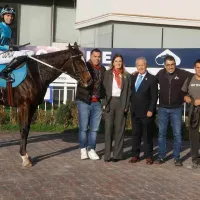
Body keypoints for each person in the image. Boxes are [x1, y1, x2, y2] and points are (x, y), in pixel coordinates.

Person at [155, 55, 192, 166]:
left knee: (177, 134)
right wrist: (137, 74)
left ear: (175, 64)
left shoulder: (182, 74)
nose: (171, 67)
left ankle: (177, 158)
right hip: (162, 108)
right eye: (168, 65)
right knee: (161, 134)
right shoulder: (160, 74)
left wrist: (187, 94)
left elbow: (195, 77)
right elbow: (150, 81)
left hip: (176, 108)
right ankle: (161, 157)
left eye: (173, 64)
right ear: (164, 65)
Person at [76, 48, 106, 160]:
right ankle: (83, 149)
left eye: (99, 57)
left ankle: (91, 149)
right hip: (84, 101)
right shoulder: (84, 67)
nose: (97, 59)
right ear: (91, 56)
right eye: (95, 56)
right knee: (83, 128)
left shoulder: (103, 69)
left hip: (97, 102)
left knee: (94, 128)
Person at [128, 57, 158, 165]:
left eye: (142, 65)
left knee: (147, 135)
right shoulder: (133, 77)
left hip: (146, 112)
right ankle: (135, 155)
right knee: (135, 134)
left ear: (146, 65)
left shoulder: (152, 79)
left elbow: (154, 97)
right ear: (136, 66)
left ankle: (149, 156)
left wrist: (151, 109)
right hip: (135, 111)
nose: (140, 67)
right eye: (138, 65)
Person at [103, 54, 131, 162]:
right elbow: (104, 89)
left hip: (121, 103)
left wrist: (126, 105)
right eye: (116, 61)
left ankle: (117, 155)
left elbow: (129, 92)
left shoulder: (126, 75)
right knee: (108, 129)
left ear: (122, 63)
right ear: (113, 62)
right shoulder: (107, 74)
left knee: (120, 130)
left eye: (120, 61)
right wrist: (104, 104)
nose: (118, 63)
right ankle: (107, 155)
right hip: (110, 103)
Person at [0, 5, 28, 82]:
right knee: (24, 54)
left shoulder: (9, 29)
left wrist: (12, 47)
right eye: (8, 15)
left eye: (12, 16)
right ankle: (4, 73)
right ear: (2, 16)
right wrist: (8, 48)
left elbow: (5, 44)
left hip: (3, 52)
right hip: (1, 53)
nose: (10, 18)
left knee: (30, 52)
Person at [182, 59, 200, 169]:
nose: (199, 69)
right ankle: (195, 159)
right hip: (193, 111)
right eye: (197, 67)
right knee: (193, 135)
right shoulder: (190, 79)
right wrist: (186, 97)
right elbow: (184, 93)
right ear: (194, 68)